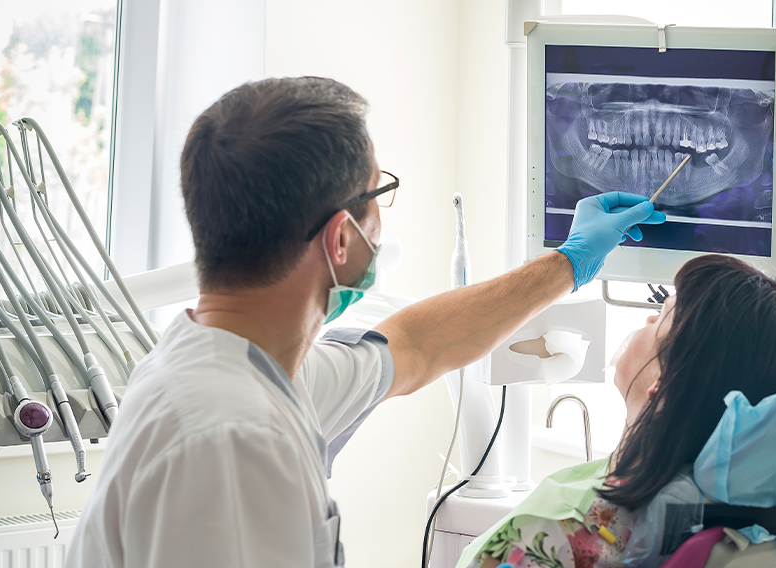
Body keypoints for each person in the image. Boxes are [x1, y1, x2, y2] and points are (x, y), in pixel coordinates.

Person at [64, 77, 664, 568]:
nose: (383, 215)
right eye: (380, 192)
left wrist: (570, 263)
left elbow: (417, 344)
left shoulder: (239, 363)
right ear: (342, 239)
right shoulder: (236, 437)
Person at [459, 255, 776, 568]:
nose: (648, 321)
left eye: (663, 315)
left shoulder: (558, 533)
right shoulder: (759, 527)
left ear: (661, 387)